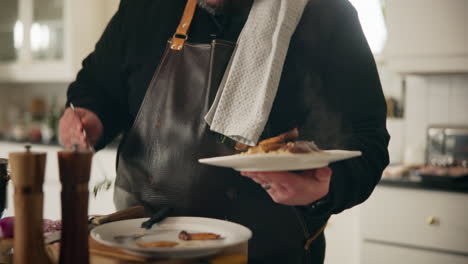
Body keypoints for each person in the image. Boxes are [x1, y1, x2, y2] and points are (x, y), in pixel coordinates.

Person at [59, 0, 390, 263]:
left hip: (271, 253)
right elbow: (98, 90)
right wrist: (86, 118)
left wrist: (324, 188)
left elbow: (367, 140)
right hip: (143, 246)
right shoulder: (145, 7)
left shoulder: (326, 13)